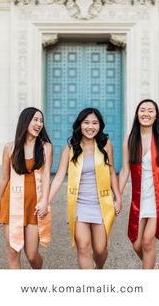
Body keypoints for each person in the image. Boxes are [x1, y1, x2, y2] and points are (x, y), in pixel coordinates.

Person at [49, 108, 122, 269]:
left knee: (100, 249)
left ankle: (99, 268)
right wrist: (45, 201)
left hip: (101, 203)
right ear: (80, 125)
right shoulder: (70, 149)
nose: (90, 127)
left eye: (95, 123)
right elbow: (59, 177)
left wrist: (118, 198)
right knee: (83, 246)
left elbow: (111, 172)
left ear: (100, 125)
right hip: (79, 204)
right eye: (86, 122)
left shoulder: (105, 145)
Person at [119, 99, 159, 269]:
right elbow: (124, 171)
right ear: (137, 114)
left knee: (147, 242)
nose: (146, 113)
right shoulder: (130, 139)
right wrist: (117, 196)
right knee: (137, 244)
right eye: (142, 110)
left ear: (155, 116)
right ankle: (154, 268)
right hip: (139, 194)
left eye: (150, 111)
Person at [0, 107, 52, 269]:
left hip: (34, 205)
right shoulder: (9, 147)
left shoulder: (45, 147)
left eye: (41, 120)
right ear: (25, 121)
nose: (39, 124)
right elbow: (4, 178)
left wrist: (45, 202)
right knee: (13, 252)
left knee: (32, 254)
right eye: (35, 119)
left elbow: (47, 176)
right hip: (11, 204)